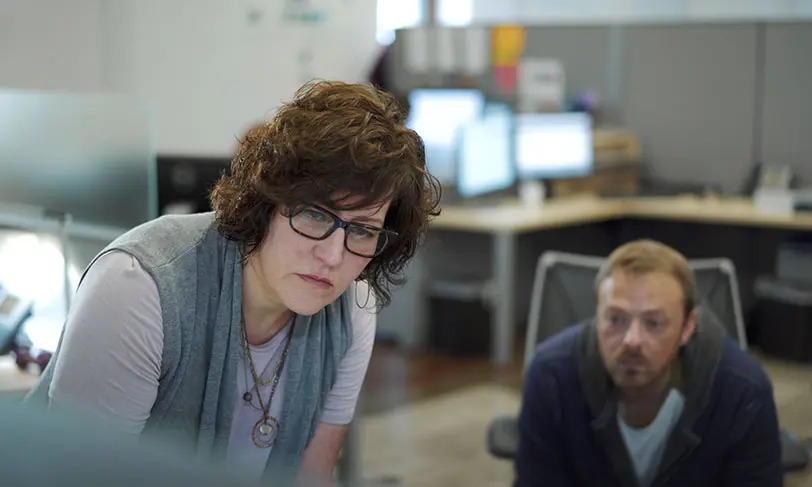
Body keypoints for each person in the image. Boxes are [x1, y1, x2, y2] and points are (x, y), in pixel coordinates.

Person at [25, 80, 441, 485]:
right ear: (265, 203)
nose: (333, 256)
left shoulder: (352, 307)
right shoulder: (138, 287)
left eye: (363, 230)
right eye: (314, 214)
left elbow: (311, 472)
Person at [514, 240, 782, 487]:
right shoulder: (550, 375)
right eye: (616, 319)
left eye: (653, 323)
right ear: (596, 314)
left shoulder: (742, 390)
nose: (632, 340)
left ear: (688, 327)